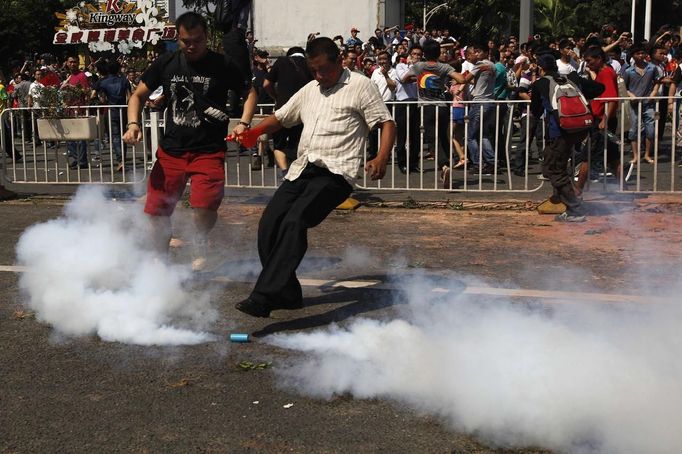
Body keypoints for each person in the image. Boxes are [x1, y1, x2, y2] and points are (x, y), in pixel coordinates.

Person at [230, 37, 396, 317]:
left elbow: (386, 122)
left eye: (324, 70)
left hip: (336, 173)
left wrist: (381, 157)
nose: (319, 76)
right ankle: (289, 293)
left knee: (295, 221)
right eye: (314, 70)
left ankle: (264, 296)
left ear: (339, 61)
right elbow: (281, 117)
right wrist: (252, 132)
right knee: (269, 224)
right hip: (302, 169)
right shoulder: (310, 90)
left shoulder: (360, 86)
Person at [122, 12, 255, 270]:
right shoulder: (166, 63)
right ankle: (160, 258)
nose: (191, 46)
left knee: (205, 205)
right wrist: (133, 124)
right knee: (156, 211)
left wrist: (244, 123)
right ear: (177, 38)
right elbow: (137, 95)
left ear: (207, 37)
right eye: (185, 41)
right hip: (171, 150)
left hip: (208, 151)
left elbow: (249, 93)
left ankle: (200, 239)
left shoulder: (223, 64)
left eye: (197, 40)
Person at [533, 54, 604, 222]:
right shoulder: (570, 79)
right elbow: (599, 88)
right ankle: (562, 200)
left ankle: (575, 209)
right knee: (557, 165)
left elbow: (535, 111)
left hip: (560, 131)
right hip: (580, 129)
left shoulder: (541, 83)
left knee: (553, 169)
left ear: (540, 68)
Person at [263, 46, 313, 173]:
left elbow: (266, 84)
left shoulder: (281, 62)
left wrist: (275, 96)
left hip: (282, 109)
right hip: (303, 111)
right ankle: (298, 172)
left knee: (278, 144)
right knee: (298, 143)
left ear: (289, 55)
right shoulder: (310, 64)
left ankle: (285, 171)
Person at [93, 60, 130, 171]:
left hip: (111, 110)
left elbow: (99, 96)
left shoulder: (103, 82)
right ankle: (123, 159)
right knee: (123, 135)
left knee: (115, 136)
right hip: (123, 110)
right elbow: (129, 96)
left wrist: (103, 100)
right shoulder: (124, 81)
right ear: (118, 69)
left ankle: (120, 160)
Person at [61, 56, 90, 169]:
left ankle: (81, 160)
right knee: (69, 137)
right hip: (70, 109)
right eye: (70, 62)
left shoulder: (81, 75)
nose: (72, 64)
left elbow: (86, 91)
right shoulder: (70, 76)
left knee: (80, 137)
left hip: (79, 109)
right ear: (67, 63)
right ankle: (78, 158)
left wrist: (70, 87)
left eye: (74, 62)